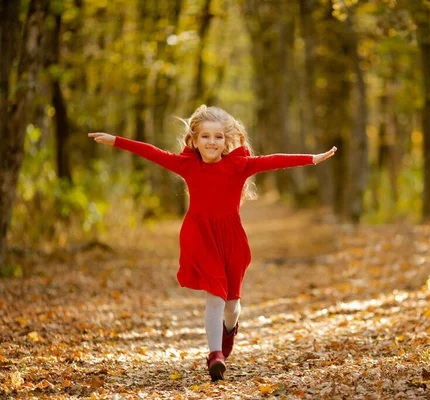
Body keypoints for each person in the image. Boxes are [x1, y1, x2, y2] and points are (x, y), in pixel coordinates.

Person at [88, 105, 336, 381]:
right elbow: (151, 152)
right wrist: (115, 140)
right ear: (194, 140)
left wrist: (313, 158)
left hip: (231, 239)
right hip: (199, 237)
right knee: (215, 296)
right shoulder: (187, 165)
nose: (211, 142)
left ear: (226, 141)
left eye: (218, 137)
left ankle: (230, 330)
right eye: (205, 136)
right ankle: (215, 355)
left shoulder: (238, 166)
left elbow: (274, 160)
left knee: (232, 305)